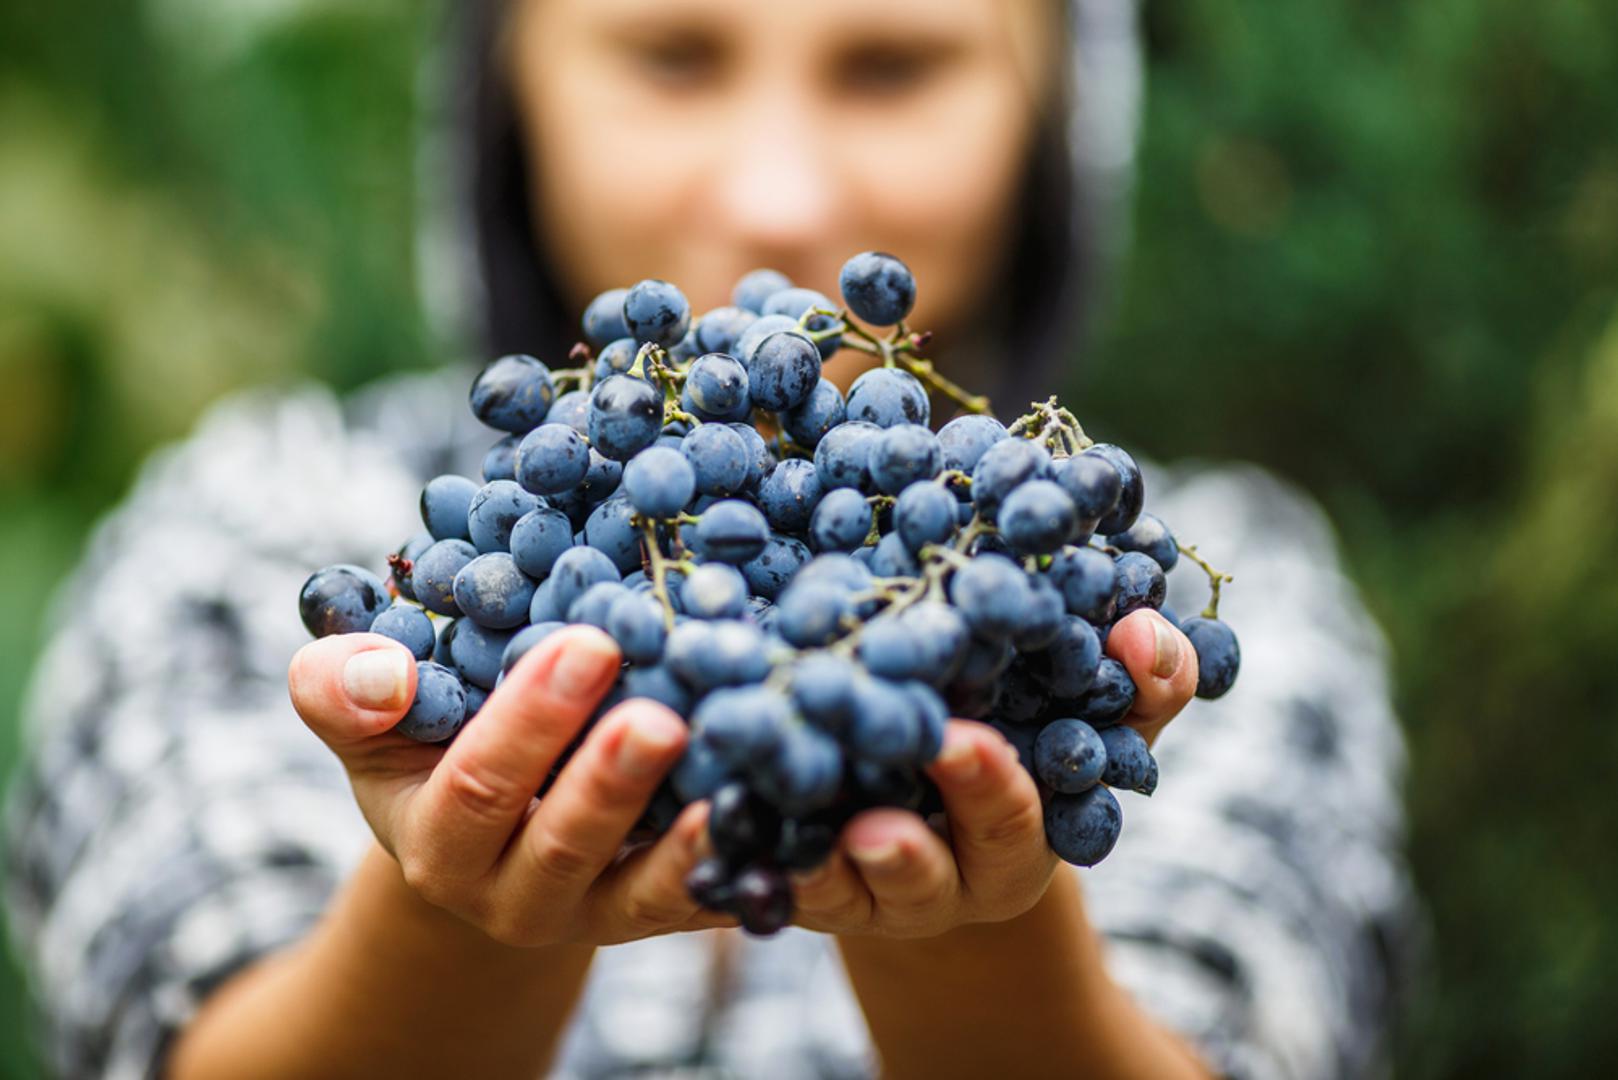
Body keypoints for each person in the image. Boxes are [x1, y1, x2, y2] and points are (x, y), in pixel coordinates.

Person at [3, 1, 1416, 1077]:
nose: (777, 197)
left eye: (893, 66)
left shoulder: (1148, 597)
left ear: (1058, 111)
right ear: (505, 94)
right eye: (671, 54)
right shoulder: (263, 531)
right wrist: (456, 918)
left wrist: (981, 933)